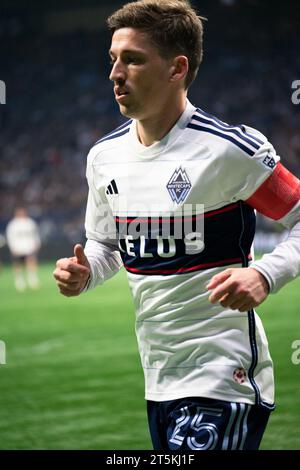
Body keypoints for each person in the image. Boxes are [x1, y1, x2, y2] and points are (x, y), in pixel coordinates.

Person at [53, 0, 300, 450]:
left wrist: (266, 272)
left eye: (132, 59)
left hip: (224, 376)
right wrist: (86, 271)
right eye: (113, 59)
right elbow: (106, 244)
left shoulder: (227, 150)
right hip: (159, 379)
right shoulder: (104, 158)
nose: (115, 73)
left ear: (177, 68)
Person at [6, 207, 41, 291]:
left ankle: (32, 279)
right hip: (18, 248)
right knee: (18, 265)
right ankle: (19, 281)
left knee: (31, 262)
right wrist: (12, 247)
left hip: (29, 247)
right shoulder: (13, 224)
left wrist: (37, 243)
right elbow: (10, 237)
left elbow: (35, 234)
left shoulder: (30, 223)